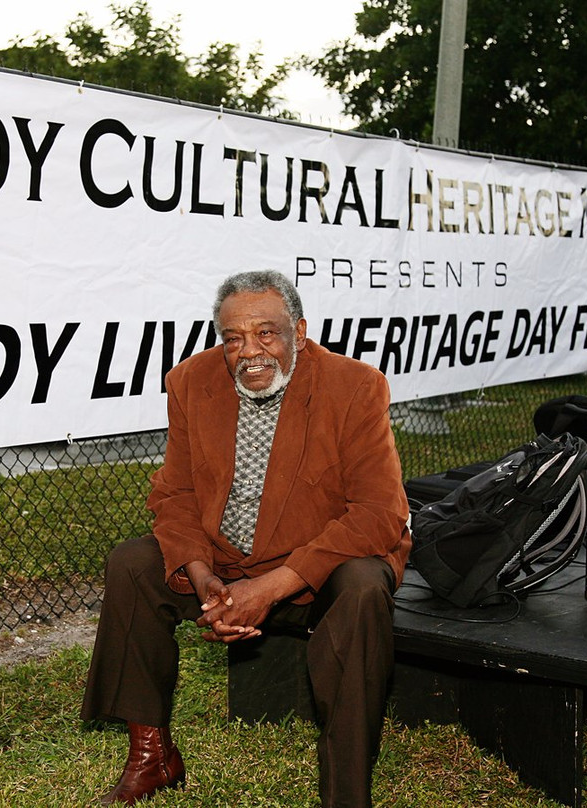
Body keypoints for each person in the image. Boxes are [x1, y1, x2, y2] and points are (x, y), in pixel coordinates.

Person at [81, 270, 410, 807]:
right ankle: (152, 755)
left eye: (266, 333)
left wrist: (274, 585)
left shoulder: (355, 386)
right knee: (133, 563)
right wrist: (203, 575)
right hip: (228, 559)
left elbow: (380, 513)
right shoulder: (191, 382)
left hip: (317, 562)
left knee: (362, 587)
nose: (249, 351)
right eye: (233, 338)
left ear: (299, 333)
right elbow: (177, 493)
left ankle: (346, 795)